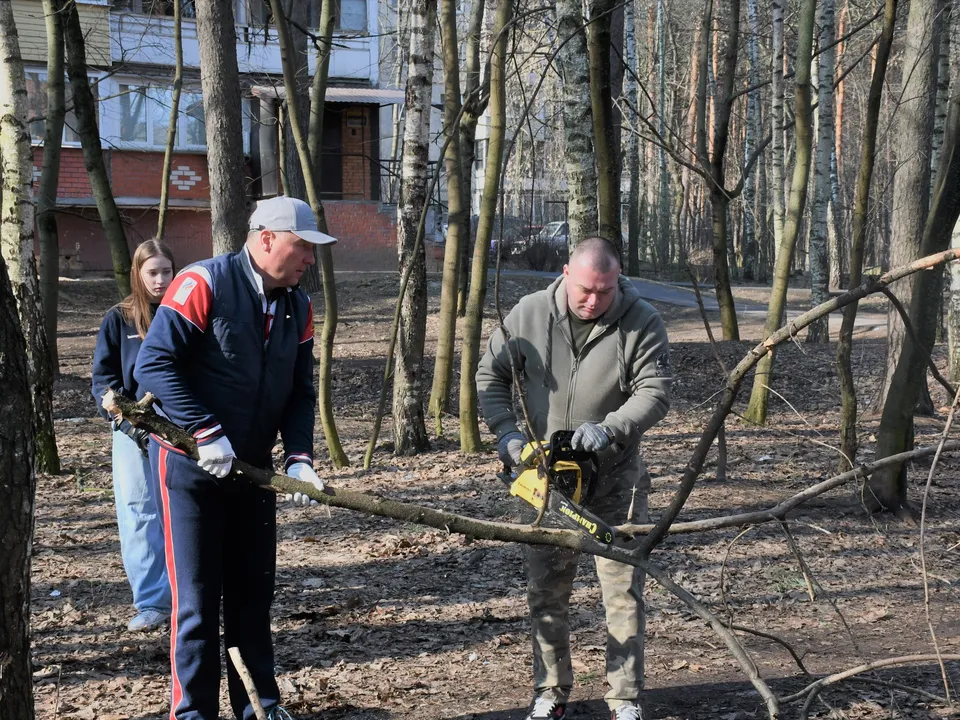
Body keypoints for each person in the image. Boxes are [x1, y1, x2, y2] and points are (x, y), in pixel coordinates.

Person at [134, 196, 333, 720]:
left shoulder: (299, 307)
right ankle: (193, 713)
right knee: (198, 604)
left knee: (252, 597)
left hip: (253, 473)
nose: (310, 259)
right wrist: (203, 430)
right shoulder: (204, 283)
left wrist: (299, 457)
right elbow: (153, 364)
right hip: (188, 468)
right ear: (266, 238)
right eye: (303, 247)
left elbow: (299, 392)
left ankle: (260, 707)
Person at [476, 236, 672, 720]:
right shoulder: (527, 314)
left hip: (616, 481)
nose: (594, 300)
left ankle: (625, 699)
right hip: (545, 482)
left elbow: (655, 391)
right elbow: (491, 377)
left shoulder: (641, 321)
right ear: (565, 274)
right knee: (547, 591)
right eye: (585, 289)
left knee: (623, 590)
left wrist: (610, 429)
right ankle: (550, 692)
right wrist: (507, 434)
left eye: (605, 291)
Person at [92, 239, 176, 633]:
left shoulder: (186, 311)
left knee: (181, 512)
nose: (161, 280)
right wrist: (126, 423)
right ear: (138, 275)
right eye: (152, 272)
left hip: (181, 428)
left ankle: (189, 596)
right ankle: (153, 601)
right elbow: (103, 382)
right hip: (132, 430)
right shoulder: (119, 318)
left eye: (166, 271)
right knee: (140, 513)